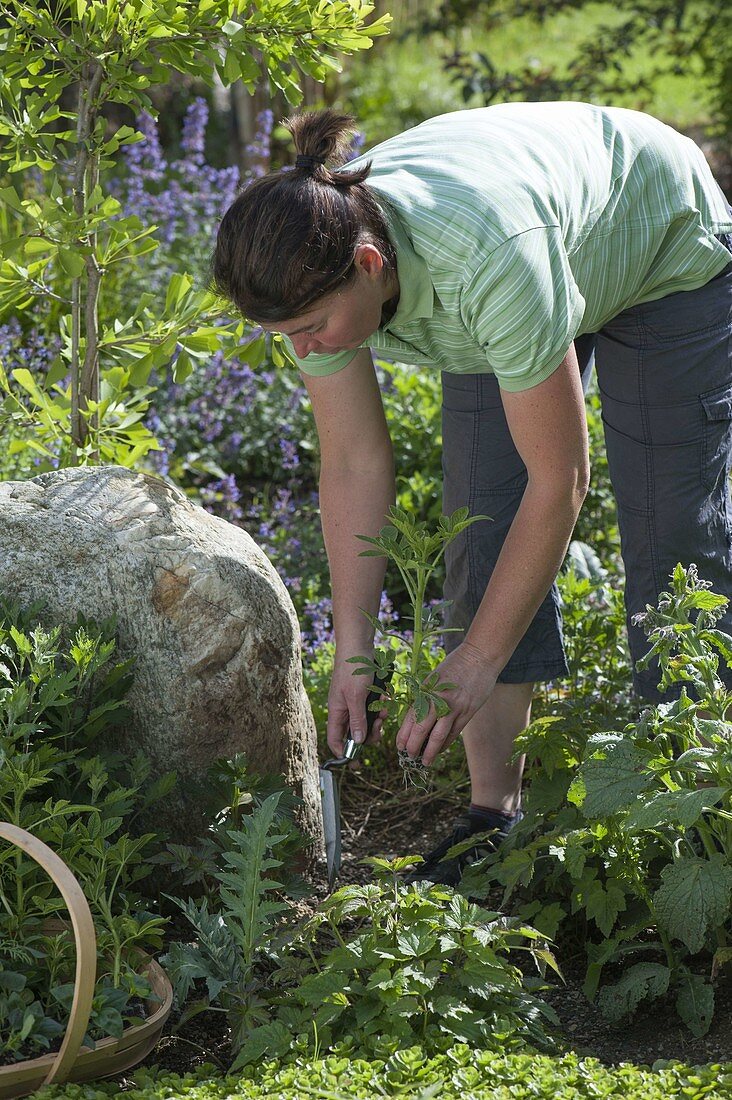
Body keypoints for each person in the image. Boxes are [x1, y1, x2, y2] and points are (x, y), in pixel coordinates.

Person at [212, 102, 732, 886]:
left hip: (656, 235)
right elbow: (354, 462)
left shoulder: (486, 261)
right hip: (536, 247)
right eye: (287, 335)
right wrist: (353, 648)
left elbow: (562, 482)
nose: (305, 350)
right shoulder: (315, 271)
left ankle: (700, 807)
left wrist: (480, 658)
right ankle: (495, 817)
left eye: (312, 328)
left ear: (369, 263)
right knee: (482, 518)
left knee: (671, 537)